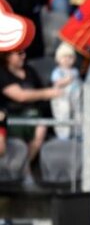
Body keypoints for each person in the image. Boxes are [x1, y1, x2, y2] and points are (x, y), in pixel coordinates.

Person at [0, 49, 62, 180]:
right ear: (8, 57)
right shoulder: (2, 73)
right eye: (19, 54)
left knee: (41, 127)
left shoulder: (29, 70)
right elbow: (20, 96)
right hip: (11, 116)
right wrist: (47, 93)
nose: (24, 56)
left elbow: (40, 90)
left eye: (24, 53)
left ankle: (24, 167)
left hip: (32, 114)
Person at [50, 42, 81, 139]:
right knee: (63, 116)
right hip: (62, 98)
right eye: (64, 57)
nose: (67, 60)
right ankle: (63, 136)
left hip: (75, 97)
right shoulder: (57, 72)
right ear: (58, 59)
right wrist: (66, 80)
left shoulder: (75, 71)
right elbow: (56, 83)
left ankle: (78, 134)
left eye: (70, 57)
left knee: (78, 114)